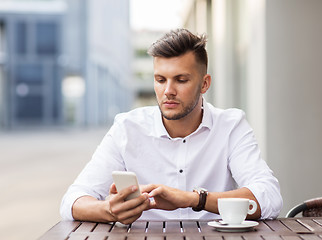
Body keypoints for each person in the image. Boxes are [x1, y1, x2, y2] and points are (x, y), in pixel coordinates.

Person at [60, 28, 282, 224]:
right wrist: (109, 210)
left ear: (204, 84)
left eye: (181, 80)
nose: (168, 91)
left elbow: (269, 197)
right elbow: (73, 201)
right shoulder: (127, 128)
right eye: (160, 79)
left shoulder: (231, 125)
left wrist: (193, 199)